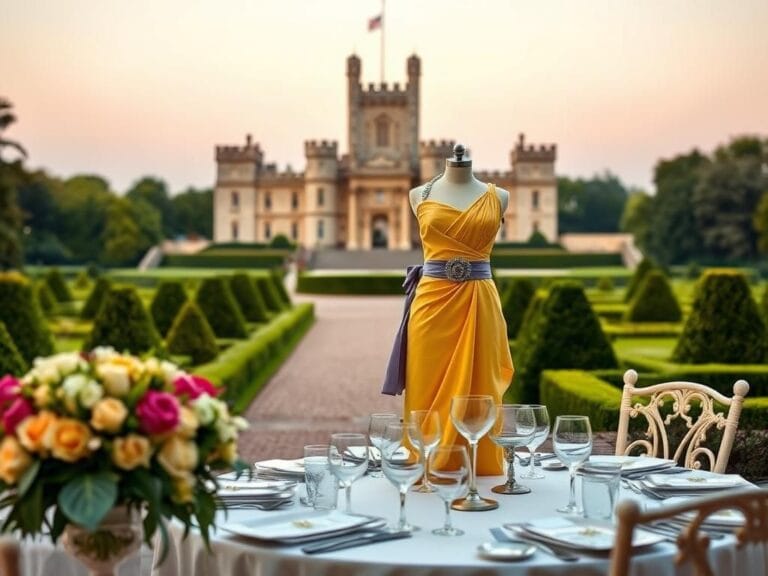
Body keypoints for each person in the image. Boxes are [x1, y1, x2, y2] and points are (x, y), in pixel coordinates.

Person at [382, 144, 514, 477]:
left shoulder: (499, 196)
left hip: (479, 302)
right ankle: (428, 461)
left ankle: (476, 467)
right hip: (431, 304)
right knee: (426, 387)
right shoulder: (417, 195)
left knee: (480, 389)